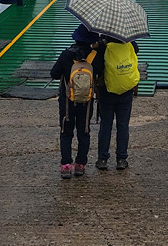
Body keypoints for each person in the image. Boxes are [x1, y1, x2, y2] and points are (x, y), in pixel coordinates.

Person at [50, 24, 100, 179]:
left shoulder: (66, 54)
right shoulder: (94, 56)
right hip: (86, 103)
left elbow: (54, 73)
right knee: (84, 132)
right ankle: (80, 165)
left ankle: (66, 166)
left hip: (67, 102)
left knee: (66, 132)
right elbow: (100, 72)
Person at [92, 36, 140, 171]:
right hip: (126, 90)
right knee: (123, 125)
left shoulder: (103, 46)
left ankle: (102, 159)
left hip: (107, 91)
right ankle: (121, 159)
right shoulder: (129, 42)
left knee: (106, 125)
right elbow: (136, 51)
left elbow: (97, 68)